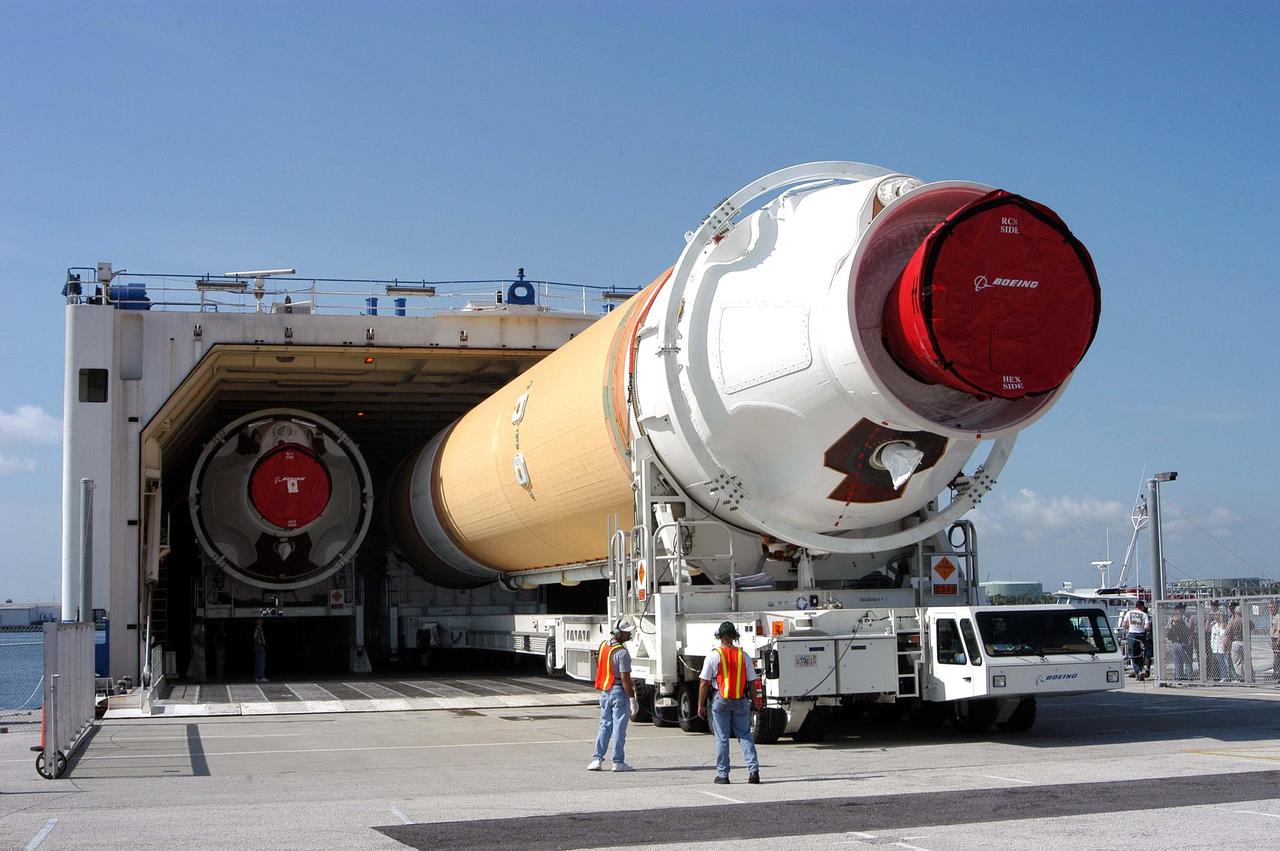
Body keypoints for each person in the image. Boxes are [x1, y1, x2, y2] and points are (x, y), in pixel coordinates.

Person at [698, 621, 760, 785]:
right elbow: (752, 682)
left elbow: (704, 682)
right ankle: (753, 771)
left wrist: (701, 705)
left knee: (722, 738)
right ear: (734, 637)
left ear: (720, 637)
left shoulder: (714, 655)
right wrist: (755, 702)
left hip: (721, 700)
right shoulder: (743, 655)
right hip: (740, 699)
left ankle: (723, 775)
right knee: (745, 736)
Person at [587, 618, 637, 773]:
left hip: (605, 691)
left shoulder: (604, 646)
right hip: (618, 692)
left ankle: (597, 759)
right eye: (627, 632)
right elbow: (625, 679)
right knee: (619, 728)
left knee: (604, 726)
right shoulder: (622, 652)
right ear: (618, 633)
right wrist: (632, 698)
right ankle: (618, 762)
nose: (630, 634)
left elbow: (599, 664)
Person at [1119, 601, 1151, 680]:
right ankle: (1140, 670)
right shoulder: (1144, 614)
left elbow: (1124, 625)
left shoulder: (1129, 613)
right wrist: (1141, 627)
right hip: (1141, 635)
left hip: (1132, 635)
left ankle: (1138, 671)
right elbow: (1148, 627)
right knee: (1141, 654)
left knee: (1133, 655)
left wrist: (1130, 626)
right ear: (1141, 606)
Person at [1167, 603, 1194, 681]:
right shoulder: (1184, 618)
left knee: (1178, 663)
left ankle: (1179, 678)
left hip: (1175, 642)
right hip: (1183, 642)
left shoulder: (1171, 619)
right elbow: (1189, 629)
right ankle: (1189, 679)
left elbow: (1168, 629)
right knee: (1188, 662)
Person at [1226, 603, 1246, 681]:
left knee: (1237, 663)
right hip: (1245, 642)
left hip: (1236, 642)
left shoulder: (1233, 621)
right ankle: (1249, 677)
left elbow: (1227, 632)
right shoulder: (1245, 619)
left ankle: (1240, 678)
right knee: (1246, 661)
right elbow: (1252, 626)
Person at [1209, 612, 1229, 682]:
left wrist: (1222, 626)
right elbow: (1212, 637)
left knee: (1226, 662)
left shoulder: (1224, 625)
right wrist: (1212, 646)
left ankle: (1228, 676)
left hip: (1223, 646)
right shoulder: (1214, 625)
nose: (1217, 617)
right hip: (1216, 646)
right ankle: (1223, 676)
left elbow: (1223, 634)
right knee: (1220, 662)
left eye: (1218, 616)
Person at [186, 616, 207, 684]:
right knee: (201, 662)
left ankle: (196, 678)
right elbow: (195, 636)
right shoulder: (198, 626)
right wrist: (201, 643)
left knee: (196, 663)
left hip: (197, 646)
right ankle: (202, 678)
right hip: (198, 647)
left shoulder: (201, 627)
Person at [253, 618, 268, 683]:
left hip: (258, 647)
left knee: (258, 662)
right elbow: (254, 637)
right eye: (260, 621)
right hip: (260, 647)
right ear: (257, 622)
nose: (262, 622)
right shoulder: (258, 628)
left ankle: (258, 677)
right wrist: (259, 643)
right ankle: (261, 677)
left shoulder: (259, 628)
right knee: (261, 662)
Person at [1269, 600, 1280, 682]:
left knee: (1277, 657)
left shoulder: (1278, 617)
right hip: (1273, 639)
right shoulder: (1272, 617)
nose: (1270, 609)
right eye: (1269, 607)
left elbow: (1279, 630)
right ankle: (1276, 672)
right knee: (1276, 657)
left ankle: (1277, 673)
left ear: (1276, 608)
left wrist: (1278, 641)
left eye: (1272, 607)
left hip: (1277, 640)